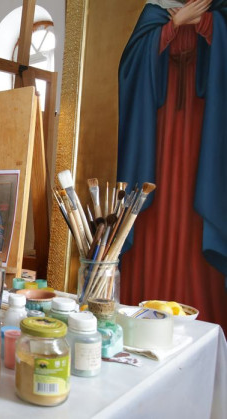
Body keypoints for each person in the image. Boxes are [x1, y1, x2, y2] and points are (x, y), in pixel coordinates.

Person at [117, 0, 227, 330]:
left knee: (197, 225)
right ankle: (142, 319)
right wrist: (173, 25)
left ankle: (204, 328)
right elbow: (130, 69)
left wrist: (206, 23)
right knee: (153, 219)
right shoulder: (156, 11)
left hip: (204, 141)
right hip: (156, 145)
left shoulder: (220, 12)